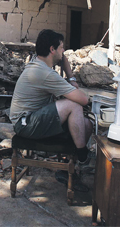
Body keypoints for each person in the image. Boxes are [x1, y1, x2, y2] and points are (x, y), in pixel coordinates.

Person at [10, 29, 93, 163]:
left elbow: (62, 57)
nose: (63, 51)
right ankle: (82, 155)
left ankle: (71, 165)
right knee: (73, 104)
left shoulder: (38, 62)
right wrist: (71, 79)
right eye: (61, 48)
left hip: (33, 118)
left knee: (86, 125)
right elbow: (83, 100)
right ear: (52, 49)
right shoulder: (45, 73)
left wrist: (62, 58)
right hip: (25, 123)